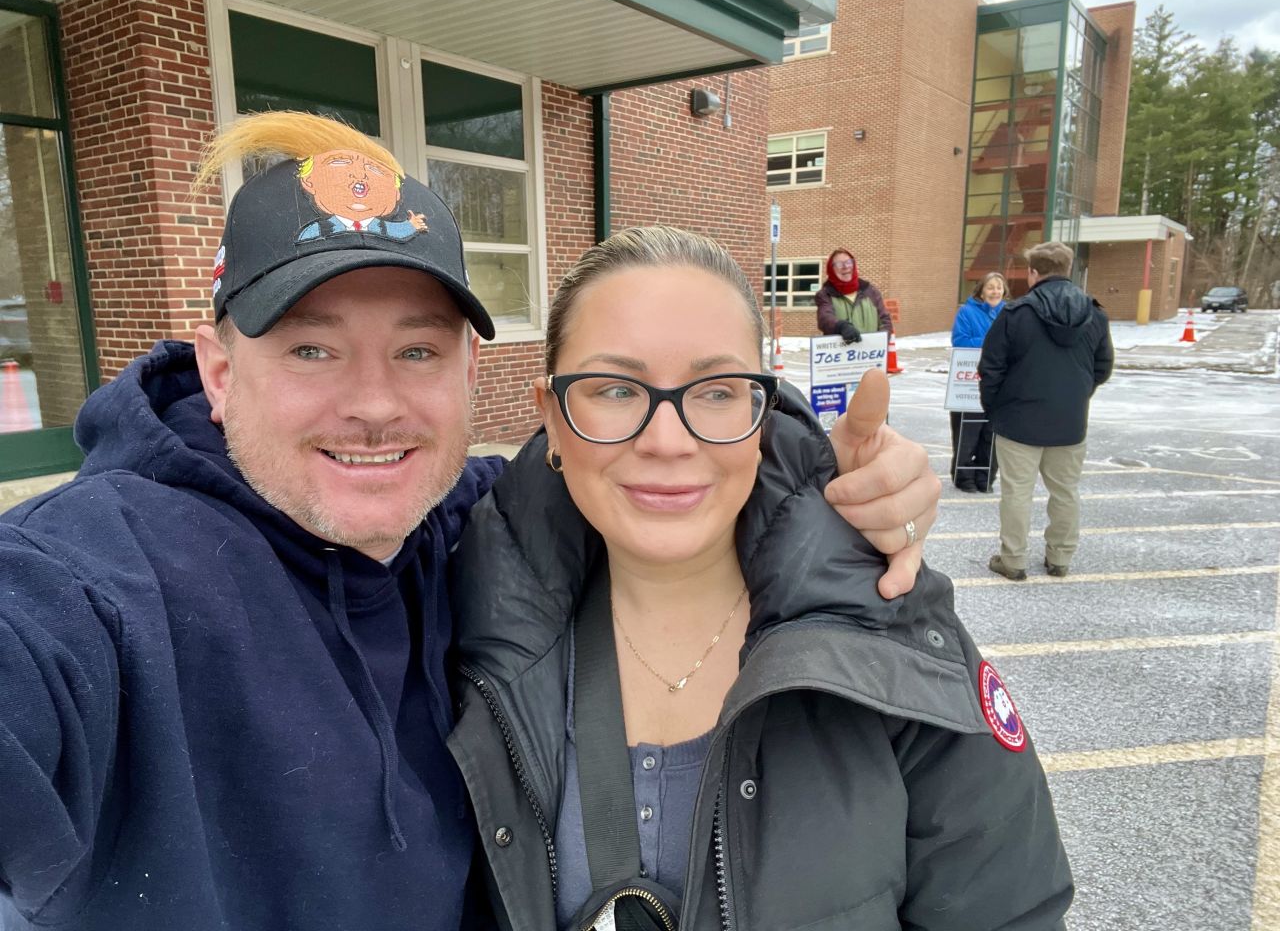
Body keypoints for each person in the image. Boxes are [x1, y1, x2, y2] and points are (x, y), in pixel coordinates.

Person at [0, 113, 939, 931]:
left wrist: (824, 493)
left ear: (469, 377)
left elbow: (623, 453)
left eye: (416, 349)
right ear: (216, 370)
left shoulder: (460, 521)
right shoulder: (94, 579)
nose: (374, 404)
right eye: (312, 348)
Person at [448, 226, 1073, 931]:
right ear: (552, 418)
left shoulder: (887, 629)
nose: (667, 440)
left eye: (715, 391)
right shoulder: (468, 617)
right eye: (616, 389)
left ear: (760, 415)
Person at [979, 241, 1113, 581]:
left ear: (1032, 273)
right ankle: (1060, 557)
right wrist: (1078, 394)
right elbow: (1103, 366)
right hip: (1069, 420)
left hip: (1018, 419)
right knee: (1065, 492)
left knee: (1016, 494)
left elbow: (991, 368)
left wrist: (994, 407)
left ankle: (1014, 559)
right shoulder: (1095, 313)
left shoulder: (1015, 314)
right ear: (1068, 271)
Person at [949, 271, 1006, 492]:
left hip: (999, 384)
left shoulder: (1009, 312)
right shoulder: (967, 312)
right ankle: (964, 477)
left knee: (991, 434)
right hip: (969, 383)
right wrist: (993, 341)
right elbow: (960, 340)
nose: (995, 291)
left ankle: (985, 477)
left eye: (999, 287)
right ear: (981, 290)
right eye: (990, 287)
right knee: (967, 433)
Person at [814, 248, 893, 343]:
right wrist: (841, 326)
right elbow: (825, 319)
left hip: (871, 354)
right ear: (831, 269)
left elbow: (885, 319)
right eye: (839, 264)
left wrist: (881, 340)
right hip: (841, 355)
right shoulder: (825, 294)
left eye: (849, 262)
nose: (845, 267)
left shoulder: (871, 291)